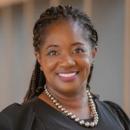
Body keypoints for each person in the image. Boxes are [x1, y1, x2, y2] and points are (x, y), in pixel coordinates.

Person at [0, 5, 130, 130]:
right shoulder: (16, 122)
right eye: (53, 52)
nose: (67, 62)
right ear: (40, 59)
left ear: (93, 54)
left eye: (78, 50)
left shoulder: (115, 115)